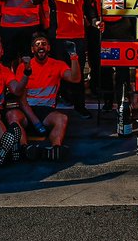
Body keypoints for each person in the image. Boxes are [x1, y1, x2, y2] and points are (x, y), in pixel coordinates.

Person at [8, 33, 82, 161]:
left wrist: (73, 57)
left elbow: (75, 79)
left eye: (43, 44)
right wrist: (35, 121)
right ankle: (24, 148)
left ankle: (56, 149)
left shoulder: (57, 64)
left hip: (47, 110)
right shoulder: (23, 66)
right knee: (12, 116)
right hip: (28, 110)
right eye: (37, 45)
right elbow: (20, 97)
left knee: (62, 118)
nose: (40, 46)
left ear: (48, 48)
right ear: (32, 50)